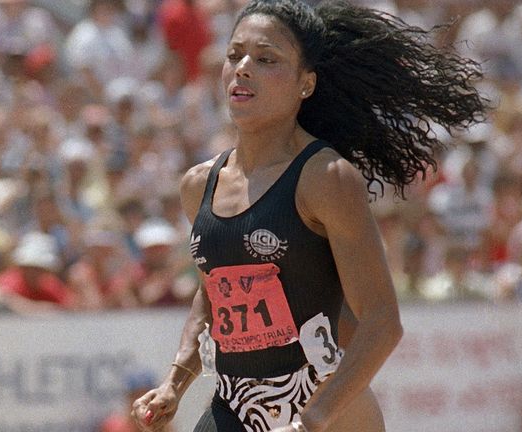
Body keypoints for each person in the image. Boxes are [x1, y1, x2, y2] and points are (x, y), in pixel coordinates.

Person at [131, 1, 488, 431]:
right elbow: (213, 292)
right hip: (234, 404)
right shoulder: (198, 185)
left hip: (326, 406)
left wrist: (311, 421)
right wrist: (174, 382)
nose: (243, 68)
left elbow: (382, 322)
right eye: (234, 55)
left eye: (265, 59)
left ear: (306, 84)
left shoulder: (326, 179)